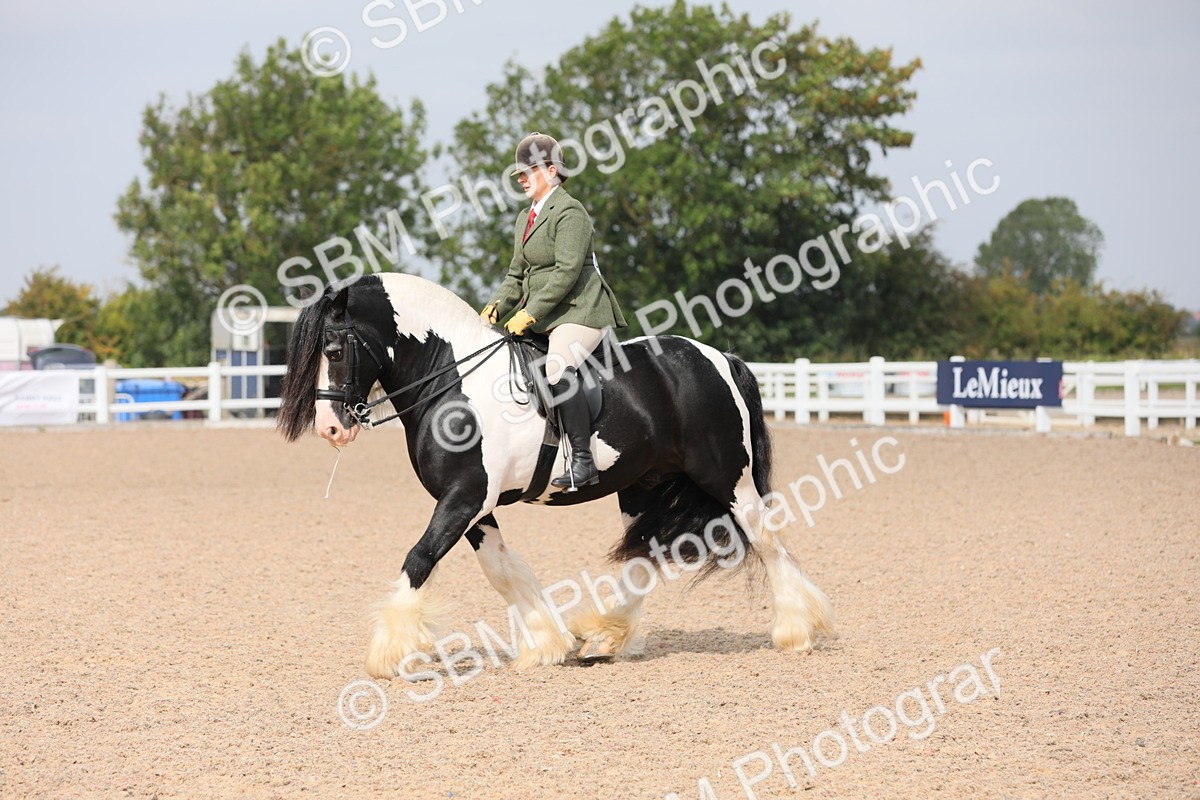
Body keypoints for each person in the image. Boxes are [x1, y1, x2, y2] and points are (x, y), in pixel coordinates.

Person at [480, 132, 627, 490]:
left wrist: (529, 313)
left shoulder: (570, 212)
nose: (520, 178)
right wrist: (494, 308)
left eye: (527, 171)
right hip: (544, 315)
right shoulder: (524, 219)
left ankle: (583, 461)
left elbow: (567, 272)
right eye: (519, 173)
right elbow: (516, 274)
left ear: (551, 171)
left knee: (557, 368)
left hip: (580, 311)